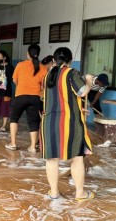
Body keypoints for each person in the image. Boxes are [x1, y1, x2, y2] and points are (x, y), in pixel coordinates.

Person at [41, 47, 95, 201]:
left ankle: (54, 192)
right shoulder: (71, 72)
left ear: (54, 59)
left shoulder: (48, 76)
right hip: (69, 123)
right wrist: (89, 82)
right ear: (70, 60)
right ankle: (80, 194)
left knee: (52, 159)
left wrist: (79, 107)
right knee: (77, 158)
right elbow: (82, 92)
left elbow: (56, 98)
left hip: (49, 122)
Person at [6, 44, 48, 152]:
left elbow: (14, 80)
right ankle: (33, 147)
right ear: (38, 54)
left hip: (21, 96)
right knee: (33, 122)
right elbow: (44, 86)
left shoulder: (20, 65)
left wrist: (23, 85)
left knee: (14, 118)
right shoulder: (43, 68)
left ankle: (13, 144)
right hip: (35, 97)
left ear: (28, 53)